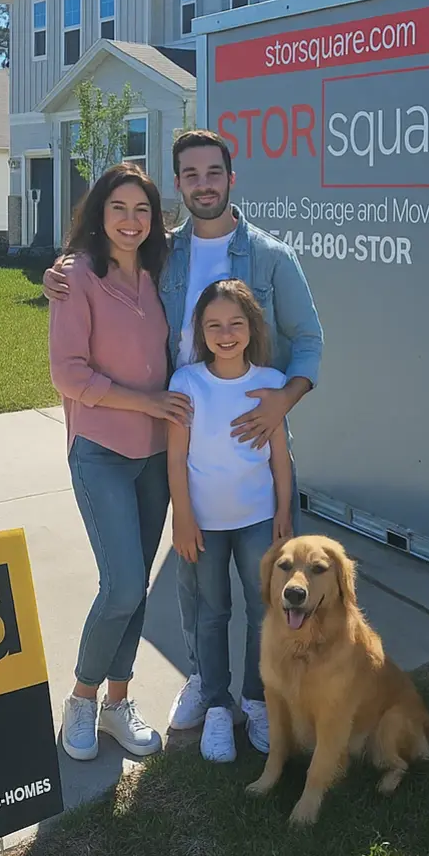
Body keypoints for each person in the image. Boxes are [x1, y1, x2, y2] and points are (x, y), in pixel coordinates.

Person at [43, 129, 323, 744]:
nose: (203, 184)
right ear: (179, 184)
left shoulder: (271, 257)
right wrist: (57, 273)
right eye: (190, 175)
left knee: (266, 583)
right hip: (181, 444)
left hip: (254, 445)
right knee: (193, 577)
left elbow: (309, 341)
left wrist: (285, 398)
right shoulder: (161, 253)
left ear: (231, 176)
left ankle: (262, 696)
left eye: (212, 172)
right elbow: (97, 272)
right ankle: (203, 681)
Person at [48, 163, 193, 763]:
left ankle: (117, 701)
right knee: (124, 585)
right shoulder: (77, 277)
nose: (131, 222)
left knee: (132, 591)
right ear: (98, 214)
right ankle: (81, 698)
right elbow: (68, 373)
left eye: (142, 211)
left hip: (155, 457)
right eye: (119, 209)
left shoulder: (158, 274)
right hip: (102, 453)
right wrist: (147, 401)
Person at [167, 279, 293, 762]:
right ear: (200, 329)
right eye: (214, 324)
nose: (225, 333)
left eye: (235, 323)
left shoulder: (270, 384)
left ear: (251, 327)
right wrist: (183, 516)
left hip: (258, 520)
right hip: (204, 524)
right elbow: (176, 459)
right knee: (212, 612)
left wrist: (283, 511)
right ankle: (217, 705)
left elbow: (281, 457)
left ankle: (255, 700)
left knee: (264, 610)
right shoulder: (186, 383)